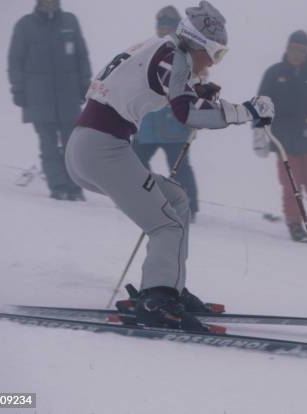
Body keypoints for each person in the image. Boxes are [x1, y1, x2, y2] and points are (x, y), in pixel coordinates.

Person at [64, 1, 274, 331]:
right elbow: (187, 113)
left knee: (175, 199)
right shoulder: (173, 55)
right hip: (103, 148)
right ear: (199, 44)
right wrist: (245, 111)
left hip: (89, 145)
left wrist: (199, 91)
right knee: (166, 224)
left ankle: (169, 287)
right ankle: (157, 300)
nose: (214, 63)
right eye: (217, 55)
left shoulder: (162, 47)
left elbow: (170, 92)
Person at [253, 30, 307, 246]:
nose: (296, 54)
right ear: (287, 48)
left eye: (301, 50)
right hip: (284, 142)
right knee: (292, 186)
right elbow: (261, 105)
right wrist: (258, 134)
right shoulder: (274, 73)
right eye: (293, 49)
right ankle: (294, 224)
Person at [8, 0, 92, 200]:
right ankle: (58, 185)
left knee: (72, 145)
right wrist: (18, 88)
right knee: (48, 144)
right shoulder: (25, 25)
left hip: (68, 96)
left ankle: (74, 186)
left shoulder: (70, 22)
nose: (50, 3)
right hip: (38, 96)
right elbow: (15, 59)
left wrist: (85, 84)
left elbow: (82, 56)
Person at [132, 6, 200, 220]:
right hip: (148, 124)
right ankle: (141, 198)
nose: (164, 31)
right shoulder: (147, 49)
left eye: (169, 27)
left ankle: (189, 206)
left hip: (175, 126)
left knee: (179, 167)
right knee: (134, 162)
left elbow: (197, 87)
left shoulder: (187, 57)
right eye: (161, 27)